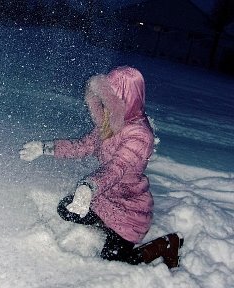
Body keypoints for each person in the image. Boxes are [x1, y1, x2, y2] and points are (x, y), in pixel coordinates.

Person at [19, 66, 183, 269]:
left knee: (113, 263)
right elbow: (81, 146)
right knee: (66, 209)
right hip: (105, 197)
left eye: (111, 97)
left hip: (128, 208)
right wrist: (46, 148)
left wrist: (89, 187)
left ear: (126, 98)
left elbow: (117, 168)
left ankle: (166, 245)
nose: (105, 103)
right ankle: (106, 224)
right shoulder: (111, 122)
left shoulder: (140, 136)